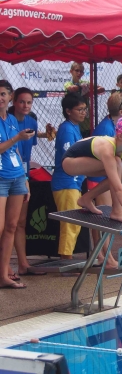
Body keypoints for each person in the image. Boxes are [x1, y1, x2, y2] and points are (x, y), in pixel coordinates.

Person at [8, 87, 56, 278]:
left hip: (23, 174)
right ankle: (5, 266)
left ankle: (23, 263)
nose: (25, 106)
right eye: (22, 102)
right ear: (14, 102)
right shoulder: (9, 121)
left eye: (29, 102)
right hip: (10, 173)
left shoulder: (31, 121)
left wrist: (47, 133)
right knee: (7, 224)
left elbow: (29, 147)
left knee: (20, 222)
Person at [86, 91, 122, 268]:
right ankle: (105, 256)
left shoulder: (112, 125)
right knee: (103, 217)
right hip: (99, 177)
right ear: (121, 112)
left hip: (103, 176)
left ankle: (102, 255)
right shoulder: (107, 129)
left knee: (101, 217)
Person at [0, 80, 33, 289]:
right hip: (1, 177)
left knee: (12, 226)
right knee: (1, 226)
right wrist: (16, 138)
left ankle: (4, 273)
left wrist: (26, 178)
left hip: (16, 176)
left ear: (9, 97)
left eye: (3, 94)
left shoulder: (11, 119)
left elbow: (17, 151)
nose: (0, 98)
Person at [51, 93, 87, 260]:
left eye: (84, 109)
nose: (83, 112)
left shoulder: (74, 127)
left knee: (74, 222)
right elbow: (69, 157)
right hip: (66, 182)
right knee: (69, 222)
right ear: (68, 111)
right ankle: (66, 259)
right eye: (79, 109)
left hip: (74, 181)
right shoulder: (66, 129)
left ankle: (67, 256)